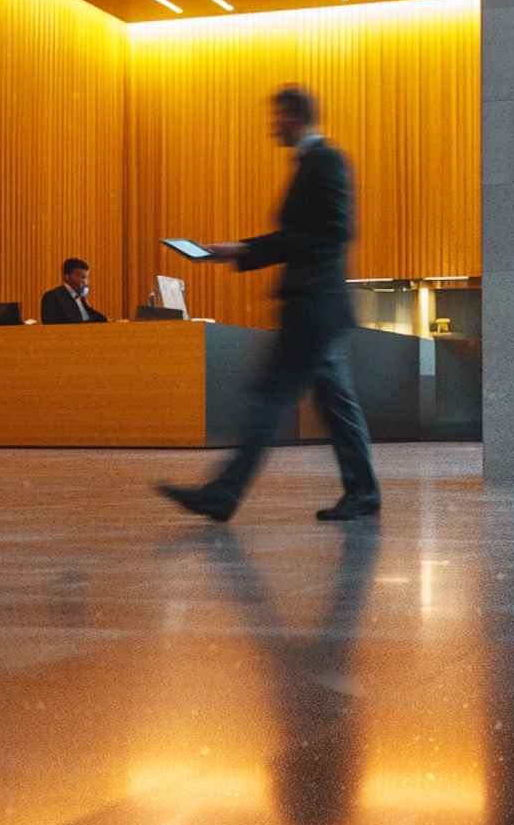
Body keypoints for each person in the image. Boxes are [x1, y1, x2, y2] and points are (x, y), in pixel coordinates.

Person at [155, 85, 382, 522]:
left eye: (276, 116)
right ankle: (363, 491)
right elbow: (305, 235)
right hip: (319, 308)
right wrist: (239, 249)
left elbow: (333, 232)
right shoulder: (311, 164)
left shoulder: (326, 161)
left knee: (273, 397)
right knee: (335, 404)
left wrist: (243, 250)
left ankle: (224, 493)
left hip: (313, 306)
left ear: (295, 117)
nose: (271, 125)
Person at [39, 258, 108, 324]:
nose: (85, 281)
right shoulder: (53, 296)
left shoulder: (79, 297)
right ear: (67, 277)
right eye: (81, 277)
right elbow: (53, 324)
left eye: (86, 277)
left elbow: (88, 317)